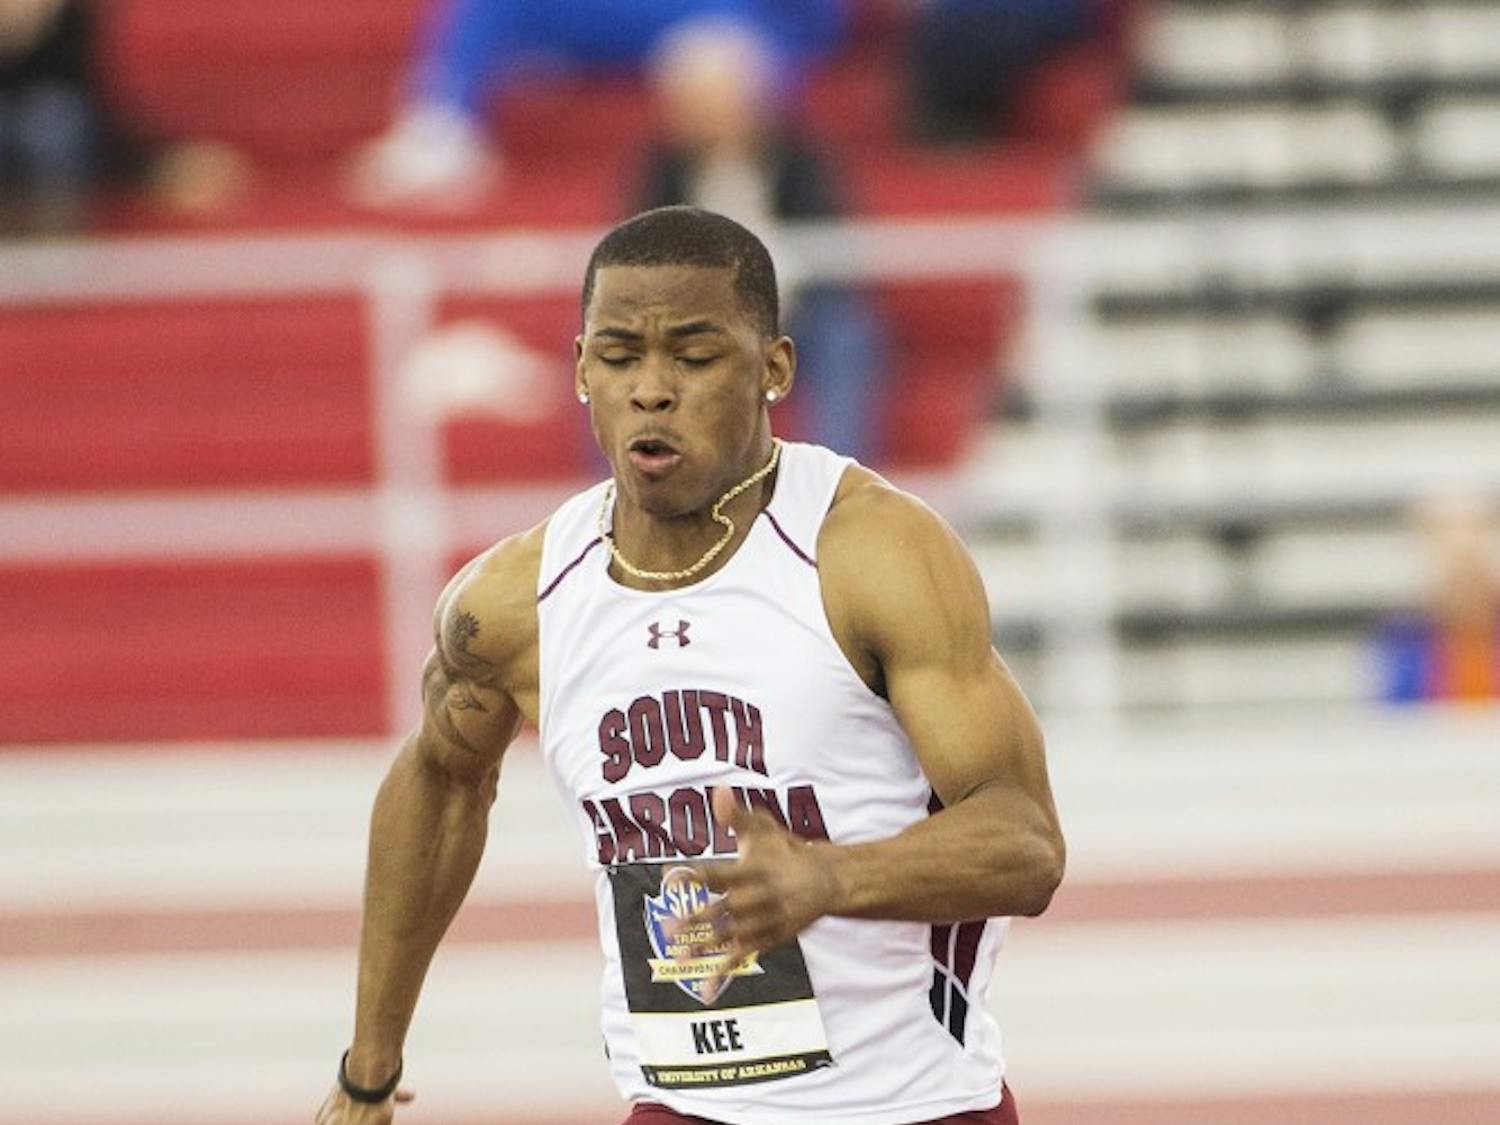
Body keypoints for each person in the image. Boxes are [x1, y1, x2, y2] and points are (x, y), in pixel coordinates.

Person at [316, 206, 1065, 1125]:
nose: (652, 390)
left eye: (695, 356)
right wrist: (369, 1068)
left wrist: (830, 879)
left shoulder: (869, 553)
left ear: (774, 369)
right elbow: (438, 788)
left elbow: (1025, 841)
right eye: (621, 356)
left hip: (907, 1105)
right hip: (678, 1105)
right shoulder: (516, 604)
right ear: (582, 369)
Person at [637, 19, 888, 463]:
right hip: (688, 321)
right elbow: (636, 254)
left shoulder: (801, 157)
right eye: (691, 104)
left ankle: (836, 488)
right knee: (613, 344)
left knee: (848, 336)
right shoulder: (663, 168)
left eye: (713, 102)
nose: (700, 116)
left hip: (793, 313)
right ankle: (629, 490)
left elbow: (829, 247)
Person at [351, 0, 847, 210]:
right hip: (648, 15)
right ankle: (445, 125)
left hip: (743, 18)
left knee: (721, 66)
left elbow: (816, 24)